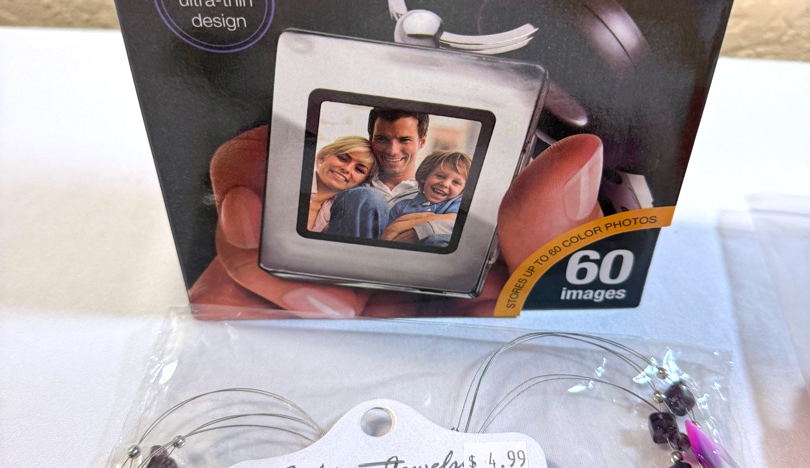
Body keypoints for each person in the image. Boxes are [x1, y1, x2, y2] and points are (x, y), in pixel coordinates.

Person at [189, 129, 604, 318]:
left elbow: (444, 225)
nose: (349, 170)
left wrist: (417, 225)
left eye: (359, 168)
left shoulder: (438, 205)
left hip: (483, 297)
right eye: (344, 160)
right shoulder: (387, 196)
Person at [324, 108, 429, 239]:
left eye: (404, 140)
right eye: (382, 139)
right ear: (371, 139)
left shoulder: (439, 193)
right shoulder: (346, 183)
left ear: (421, 142)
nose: (392, 151)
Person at [383, 151, 471, 247]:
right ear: (424, 177)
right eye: (440, 176)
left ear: (463, 191)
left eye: (455, 182)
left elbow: (455, 220)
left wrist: (402, 225)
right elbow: (387, 235)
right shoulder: (401, 206)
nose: (445, 184)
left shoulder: (457, 203)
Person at [308, 136, 379, 233]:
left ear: (361, 183)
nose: (347, 169)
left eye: (359, 169)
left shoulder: (340, 217)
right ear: (323, 157)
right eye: (343, 158)